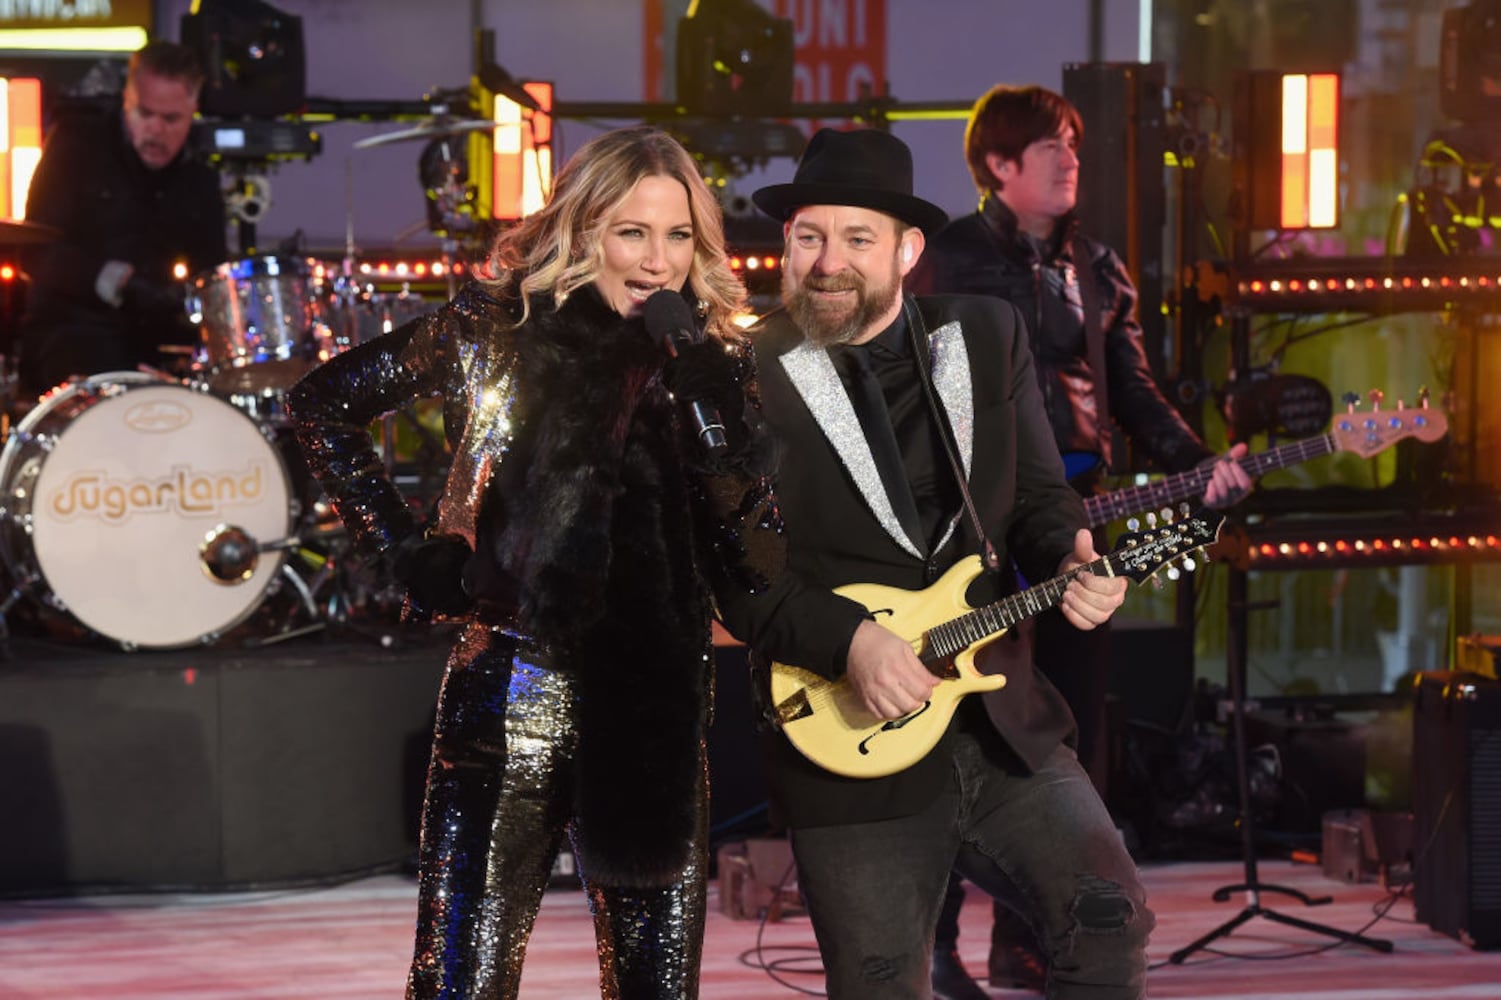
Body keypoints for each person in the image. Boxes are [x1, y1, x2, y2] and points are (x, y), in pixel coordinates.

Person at [286, 125, 783, 1000]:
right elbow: (323, 407)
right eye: (632, 231)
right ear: (583, 229)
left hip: (655, 710)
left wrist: (717, 414)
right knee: (462, 983)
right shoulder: (500, 329)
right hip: (512, 693)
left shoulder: (715, 366)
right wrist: (408, 554)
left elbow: (752, 555)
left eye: (677, 236)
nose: (657, 261)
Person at [714, 126, 1151, 1000]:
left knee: (1110, 923)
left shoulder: (985, 334)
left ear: (909, 250)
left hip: (998, 720)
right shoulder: (743, 372)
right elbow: (735, 570)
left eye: (856, 238)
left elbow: (1034, 499)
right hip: (848, 742)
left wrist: (1071, 552)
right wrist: (852, 643)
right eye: (808, 236)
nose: (826, 261)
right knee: (881, 986)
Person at [906, 83, 1253, 997]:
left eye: (1072, 144)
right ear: (997, 164)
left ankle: (1028, 941)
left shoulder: (1096, 266)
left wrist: (1198, 461)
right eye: (1048, 147)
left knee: (1061, 731)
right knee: (953, 728)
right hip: (965, 528)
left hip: (1074, 522)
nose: (1068, 160)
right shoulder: (940, 259)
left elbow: (1131, 393)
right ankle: (928, 947)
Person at [18, 40, 227, 393]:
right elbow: (34, 249)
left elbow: (212, 270)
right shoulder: (75, 144)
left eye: (171, 119)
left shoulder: (201, 171)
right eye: (144, 114)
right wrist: (114, 281)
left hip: (164, 340)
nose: (156, 130)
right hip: (75, 332)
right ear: (125, 100)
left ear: (193, 109)